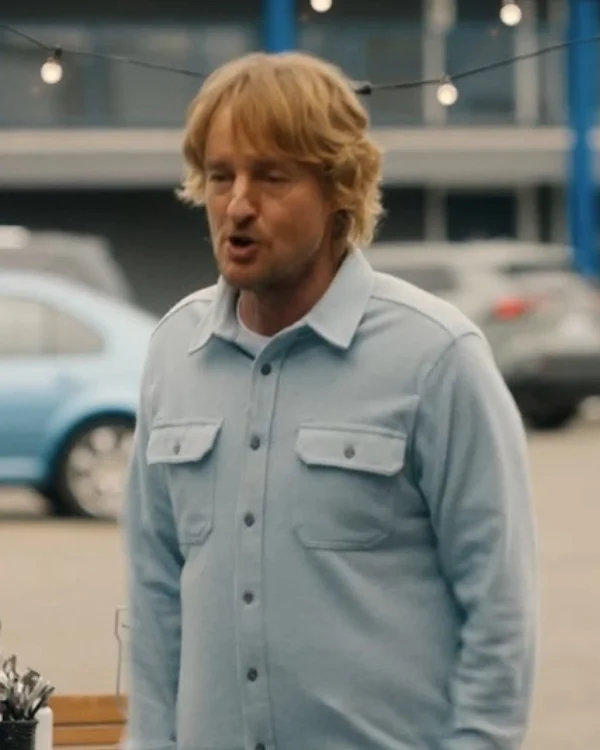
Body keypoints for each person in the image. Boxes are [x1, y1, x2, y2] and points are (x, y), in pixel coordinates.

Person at [123, 51, 537, 750]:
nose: (238, 205)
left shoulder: (437, 358)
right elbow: (155, 596)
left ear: (340, 188)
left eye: (272, 176)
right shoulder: (173, 351)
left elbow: (500, 611)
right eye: (221, 176)